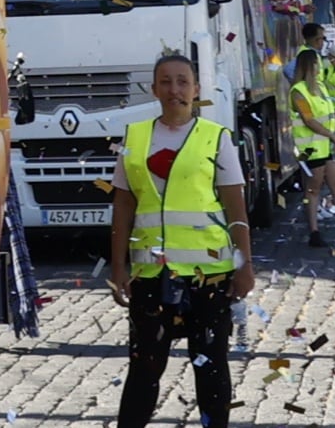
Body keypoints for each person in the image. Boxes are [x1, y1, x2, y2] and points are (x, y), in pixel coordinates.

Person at [110, 48, 252, 428]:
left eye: (182, 82)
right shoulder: (135, 138)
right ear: (153, 89)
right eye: (166, 82)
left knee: (210, 365)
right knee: (144, 368)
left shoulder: (216, 138)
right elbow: (122, 207)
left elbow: (235, 209)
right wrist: (119, 265)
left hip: (210, 275)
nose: (175, 89)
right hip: (151, 277)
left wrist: (244, 266)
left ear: (196, 89)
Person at [286, 30, 335, 248]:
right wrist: (333, 136)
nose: (321, 66)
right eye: (317, 64)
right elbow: (308, 119)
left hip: (326, 147)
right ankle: (314, 231)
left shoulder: (320, 88)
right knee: (312, 191)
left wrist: (334, 137)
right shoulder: (298, 91)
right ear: (310, 66)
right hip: (310, 150)